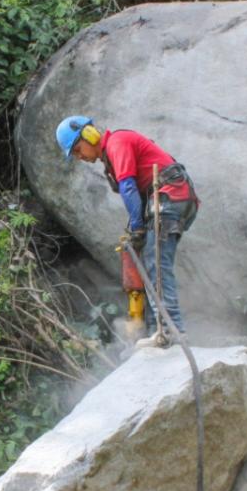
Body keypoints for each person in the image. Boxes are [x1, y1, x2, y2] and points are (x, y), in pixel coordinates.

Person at [55, 115, 198, 346]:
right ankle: (158, 330)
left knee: (156, 261)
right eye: (75, 155)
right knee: (152, 261)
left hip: (171, 197)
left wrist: (137, 227)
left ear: (89, 135)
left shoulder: (117, 143)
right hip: (166, 199)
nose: (80, 157)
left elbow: (129, 186)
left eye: (78, 149)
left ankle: (173, 330)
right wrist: (135, 229)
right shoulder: (111, 155)